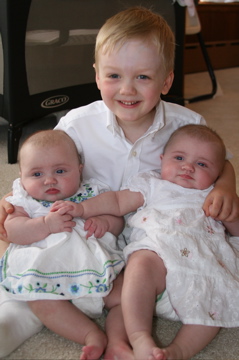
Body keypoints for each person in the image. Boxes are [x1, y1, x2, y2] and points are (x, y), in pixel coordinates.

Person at [0, 5, 238, 357]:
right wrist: (10, 198)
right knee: (27, 258)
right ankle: (20, 312)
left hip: (156, 234)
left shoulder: (186, 122)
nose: (127, 89)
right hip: (86, 225)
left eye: (143, 77)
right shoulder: (78, 123)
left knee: (174, 280)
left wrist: (224, 187)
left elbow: (223, 162)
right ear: (97, 76)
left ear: (166, 81)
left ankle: (120, 339)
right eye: (114, 76)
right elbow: (44, 167)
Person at [53, 124, 239, 360]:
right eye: (179, 157)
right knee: (140, 265)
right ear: (162, 160)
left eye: (202, 164)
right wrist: (82, 208)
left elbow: (236, 232)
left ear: (218, 173)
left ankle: (178, 351)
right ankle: (140, 337)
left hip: (202, 272)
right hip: (157, 259)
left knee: (219, 299)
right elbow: (117, 202)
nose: (187, 167)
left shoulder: (214, 194)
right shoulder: (151, 183)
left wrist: (231, 214)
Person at [0, 129, 131, 360]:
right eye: (36, 173)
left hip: (97, 270)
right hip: (45, 275)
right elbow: (11, 231)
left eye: (60, 171)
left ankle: (117, 339)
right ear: (21, 176)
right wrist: (45, 225)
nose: (49, 180)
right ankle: (91, 335)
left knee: (126, 296)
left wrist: (105, 222)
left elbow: (117, 221)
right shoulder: (24, 200)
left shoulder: (92, 192)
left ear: (79, 170)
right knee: (41, 302)